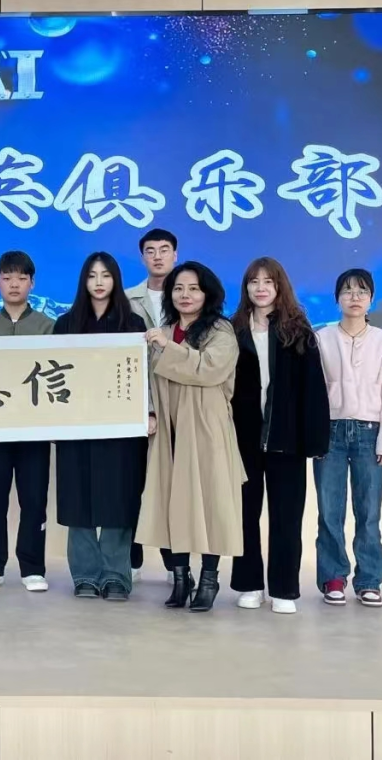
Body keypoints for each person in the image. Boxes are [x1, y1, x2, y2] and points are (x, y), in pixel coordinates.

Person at [139, 261, 246, 613]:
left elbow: (209, 369)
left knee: (210, 502)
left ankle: (209, 580)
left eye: (194, 288)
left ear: (207, 293)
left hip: (206, 428)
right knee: (173, 502)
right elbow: (148, 381)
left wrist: (167, 348)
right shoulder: (163, 331)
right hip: (169, 430)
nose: (185, 295)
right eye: (178, 288)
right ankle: (180, 577)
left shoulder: (220, 330)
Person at [229, 257, 329, 615]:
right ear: (246, 287)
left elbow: (314, 389)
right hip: (243, 438)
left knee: (287, 517)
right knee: (245, 515)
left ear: (279, 286)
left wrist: (315, 439)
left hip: (287, 439)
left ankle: (284, 588)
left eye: (268, 281)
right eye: (254, 281)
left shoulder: (298, 331)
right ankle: (249, 584)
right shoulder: (233, 330)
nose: (261, 288)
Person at [53, 252, 151, 602]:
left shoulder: (133, 324)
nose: (98, 282)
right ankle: (84, 575)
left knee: (118, 500)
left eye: (105, 275)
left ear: (116, 280)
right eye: (92, 275)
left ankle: (116, 576)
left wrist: (148, 413)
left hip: (120, 429)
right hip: (76, 427)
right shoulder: (65, 324)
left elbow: (144, 375)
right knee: (78, 499)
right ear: (83, 280)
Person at [314, 268, 382, 608]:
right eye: (348, 291)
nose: (355, 297)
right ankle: (333, 577)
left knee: (368, 513)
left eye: (362, 291)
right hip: (330, 433)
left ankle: (369, 580)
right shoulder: (321, 339)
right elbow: (313, 393)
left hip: (371, 433)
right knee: (329, 511)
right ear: (337, 298)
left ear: (371, 298)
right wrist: (314, 436)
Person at [0, 251, 54, 594]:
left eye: (21, 278)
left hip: (34, 429)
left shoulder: (49, 327)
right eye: (7, 278)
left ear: (32, 283)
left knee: (34, 500)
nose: (14, 284)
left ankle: (32, 567)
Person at [125, 228, 179, 582]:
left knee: (173, 487)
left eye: (164, 249)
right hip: (134, 405)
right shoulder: (127, 299)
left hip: (178, 406)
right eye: (150, 250)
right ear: (142, 257)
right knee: (132, 485)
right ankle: (132, 561)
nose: (157, 256)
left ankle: (176, 563)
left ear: (175, 254)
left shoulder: (189, 296)